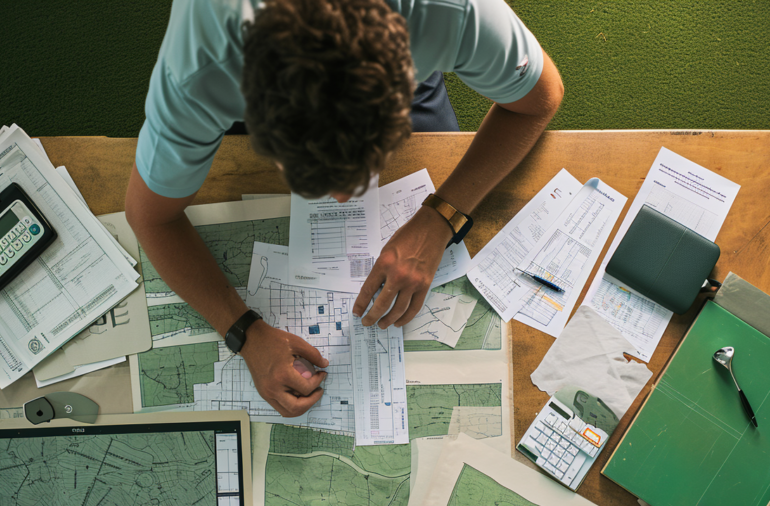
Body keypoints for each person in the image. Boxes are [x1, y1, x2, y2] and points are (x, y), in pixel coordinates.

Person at [125, 0, 564, 417]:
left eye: (364, 166)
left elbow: (540, 99)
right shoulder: (199, 70)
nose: (342, 202)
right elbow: (149, 216)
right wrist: (244, 332)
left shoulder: (450, 14)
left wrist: (440, 216)